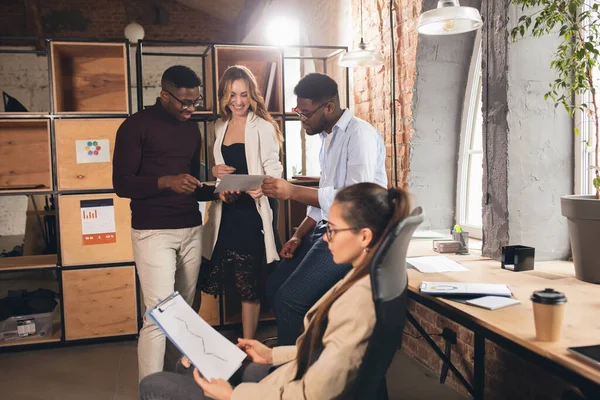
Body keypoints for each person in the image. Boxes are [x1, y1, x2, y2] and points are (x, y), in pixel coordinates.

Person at [138, 182, 412, 400]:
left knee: (155, 384)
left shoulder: (358, 302)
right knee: (191, 367)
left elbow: (314, 393)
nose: (325, 237)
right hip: (293, 378)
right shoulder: (367, 278)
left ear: (364, 236)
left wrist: (234, 396)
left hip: (293, 391)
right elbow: (327, 354)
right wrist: (273, 355)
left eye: (332, 230)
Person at [261, 72, 388, 345]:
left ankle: (293, 375)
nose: (301, 119)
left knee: (288, 300)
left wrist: (293, 191)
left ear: (329, 107)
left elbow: (356, 200)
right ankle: (300, 349)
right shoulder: (327, 138)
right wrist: (298, 234)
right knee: (273, 286)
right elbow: (323, 202)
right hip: (326, 229)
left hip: (353, 235)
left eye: (305, 113)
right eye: (298, 111)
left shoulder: (360, 136)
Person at [113, 65, 214, 380]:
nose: (190, 109)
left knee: (181, 313)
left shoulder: (191, 129)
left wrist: (215, 192)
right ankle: (151, 390)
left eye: (195, 102)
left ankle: (173, 383)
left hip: (190, 228)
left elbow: (191, 183)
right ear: (164, 95)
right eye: (184, 102)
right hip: (152, 232)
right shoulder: (135, 126)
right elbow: (122, 185)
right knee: (159, 315)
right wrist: (166, 182)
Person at [198, 65, 283, 339]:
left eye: (244, 94)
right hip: (226, 213)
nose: (238, 101)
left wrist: (263, 186)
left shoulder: (264, 127)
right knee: (225, 277)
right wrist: (214, 173)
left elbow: (274, 167)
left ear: (252, 95)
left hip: (252, 213)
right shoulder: (219, 126)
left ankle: (247, 346)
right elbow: (220, 168)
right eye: (232, 94)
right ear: (224, 96)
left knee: (249, 284)